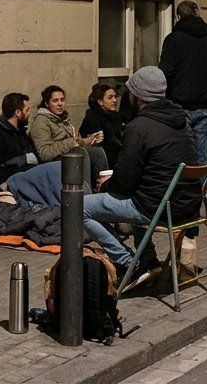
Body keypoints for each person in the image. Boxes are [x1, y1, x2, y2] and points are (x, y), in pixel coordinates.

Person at [81, 66, 197, 288]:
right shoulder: (182, 121)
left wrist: (106, 186)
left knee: (77, 205)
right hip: (185, 205)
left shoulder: (139, 126)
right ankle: (148, 259)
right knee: (139, 193)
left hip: (157, 207)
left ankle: (128, 262)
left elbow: (124, 179)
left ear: (137, 96)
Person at [159, 0, 207, 164]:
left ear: (178, 17)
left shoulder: (173, 39)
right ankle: (202, 188)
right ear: (197, 15)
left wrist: (169, 94)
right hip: (204, 104)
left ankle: (184, 187)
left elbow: (165, 72)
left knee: (181, 149)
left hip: (179, 103)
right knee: (201, 147)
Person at [28, 85, 109, 180]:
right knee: (79, 153)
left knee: (97, 152)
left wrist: (90, 140)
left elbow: (76, 141)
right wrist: (72, 143)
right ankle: (85, 191)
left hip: (69, 157)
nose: (60, 104)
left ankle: (102, 185)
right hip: (53, 163)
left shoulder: (63, 118)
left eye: (62, 100)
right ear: (47, 104)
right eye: (55, 101)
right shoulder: (41, 122)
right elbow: (45, 153)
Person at [0, 92, 38, 190]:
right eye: (27, 110)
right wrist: (25, 170)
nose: (29, 113)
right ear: (17, 112)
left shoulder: (21, 132)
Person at [79, 82, 126, 167]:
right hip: (103, 161)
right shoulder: (92, 117)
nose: (115, 100)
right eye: (110, 98)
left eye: (115, 96)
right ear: (100, 101)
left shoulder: (115, 115)